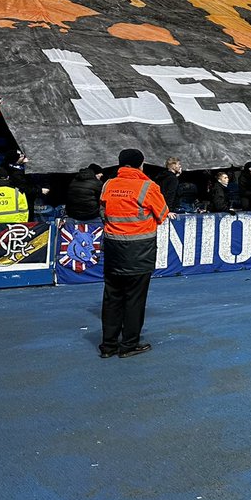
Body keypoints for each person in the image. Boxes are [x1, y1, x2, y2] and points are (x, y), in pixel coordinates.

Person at [98, 148, 170, 359]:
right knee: (134, 299)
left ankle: (108, 345)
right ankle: (129, 344)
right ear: (141, 164)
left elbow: (103, 212)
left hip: (113, 249)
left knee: (112, 298)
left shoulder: (108, 184)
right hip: (139, 250)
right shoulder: (148, 186)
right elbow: (163, 214)